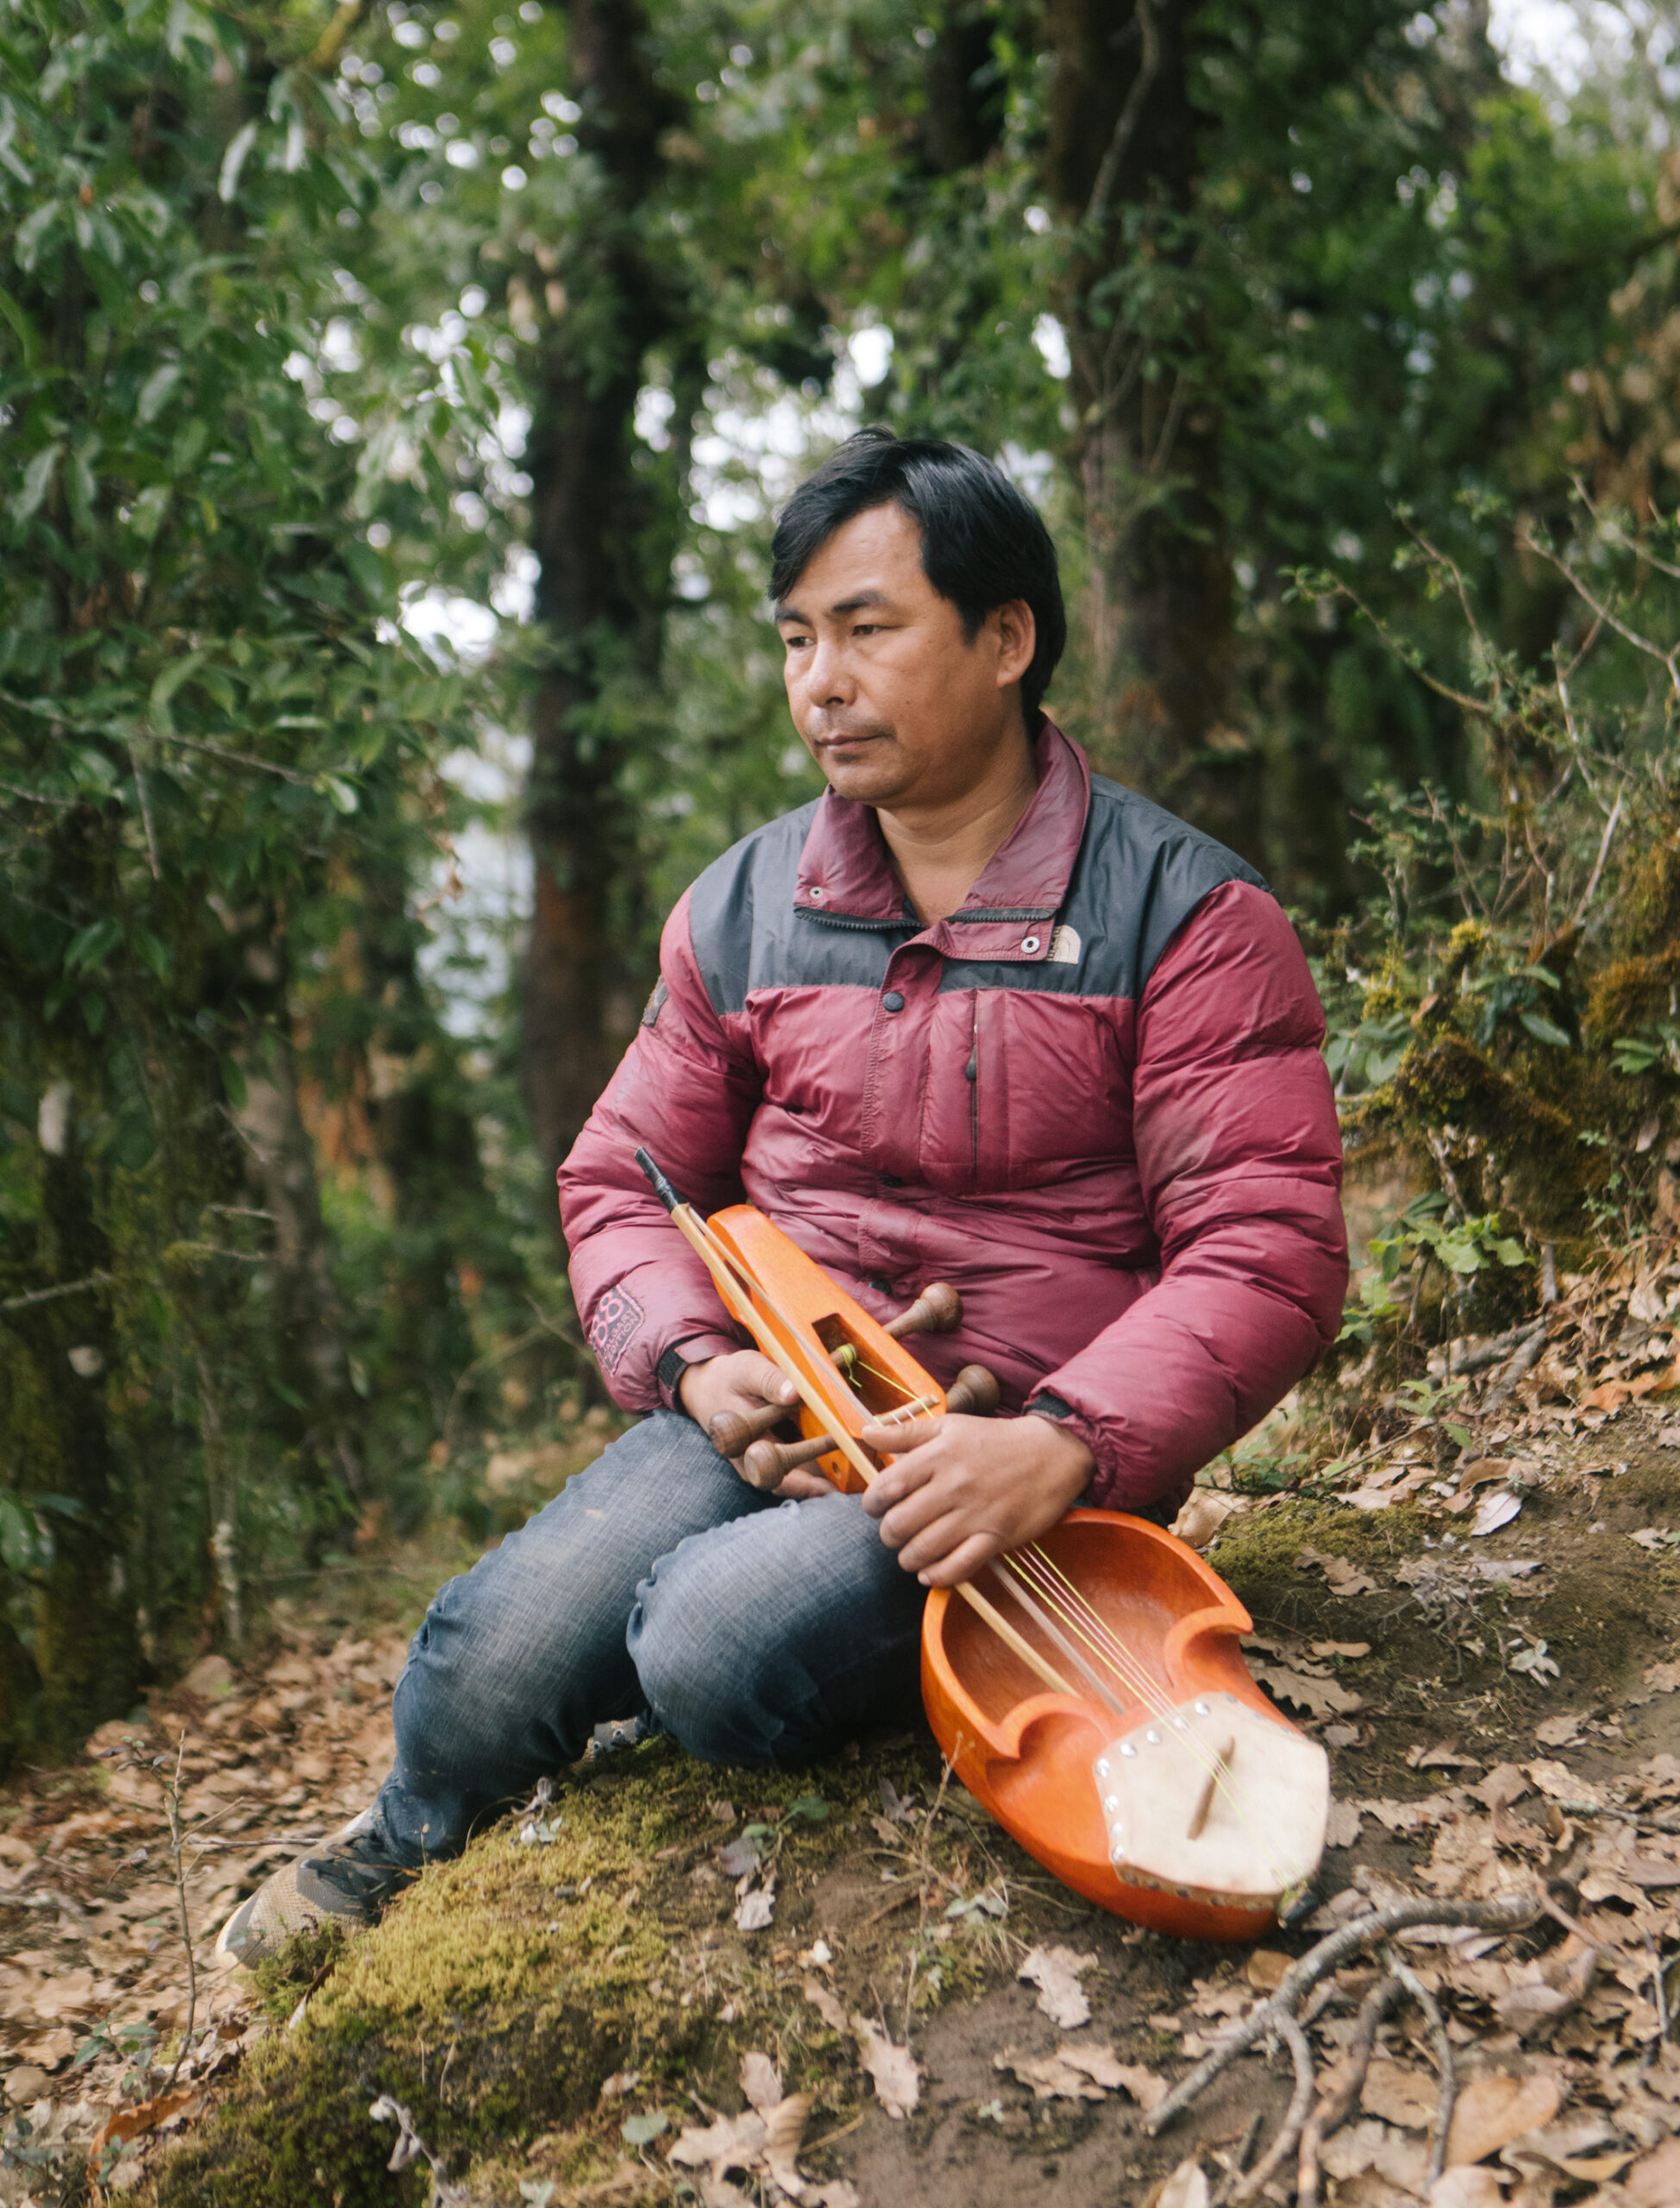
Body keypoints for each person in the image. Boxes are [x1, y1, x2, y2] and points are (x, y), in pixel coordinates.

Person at [218, 429, 1347, 1966]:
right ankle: (410, 1829)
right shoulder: (747, 907)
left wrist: (1064, 1444)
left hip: (1022, 1451)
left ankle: (736, 1662)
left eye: (868, 629)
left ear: (1008, 638)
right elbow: (622, 1172)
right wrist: (694, 1361)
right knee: (492, 1655)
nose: (821, 679)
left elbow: (1265, 1251)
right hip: (789, 1396)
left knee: (710, 1644)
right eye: (797, 639)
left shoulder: (1185, 914)